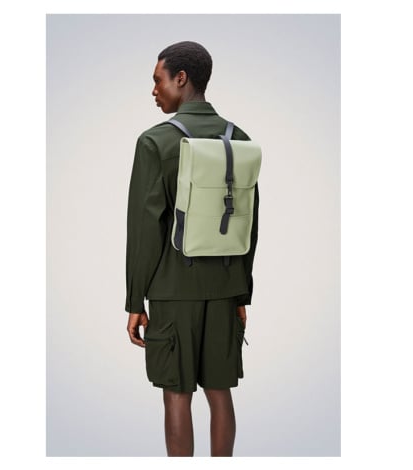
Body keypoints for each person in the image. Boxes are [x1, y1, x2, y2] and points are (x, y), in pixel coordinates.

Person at [125, 41, 259, 457]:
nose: (154, 90)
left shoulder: (155, 142)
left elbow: (145, 229)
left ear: (181, 78)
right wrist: (242, 293)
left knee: (177, 394)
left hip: (171, 292)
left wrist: (135, 301)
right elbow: (249, 223)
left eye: (158, 80)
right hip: (225, 290)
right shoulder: (238, 139)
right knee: (220, 392)